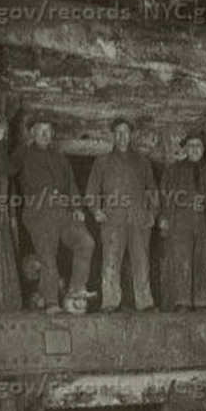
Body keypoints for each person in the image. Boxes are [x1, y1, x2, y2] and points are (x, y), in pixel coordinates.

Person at [0, 114, 93, 312]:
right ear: (32, 133)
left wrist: (77, 209)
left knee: (86, 243)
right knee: (48, 258)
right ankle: (51, 303)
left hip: (63, 212)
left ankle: (75, 291)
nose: (45, 134)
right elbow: (6, 168)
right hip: (38, 213)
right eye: (40, 130)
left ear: (52, 134)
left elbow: (72, 186)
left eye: (48, 130)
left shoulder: (60, 157)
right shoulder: (24, 152)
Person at [85, 117, 159, 312]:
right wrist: (96, 210)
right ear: (113, 135)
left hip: (139, 219)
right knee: (110, 261)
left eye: (125, 132)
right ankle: (110, 302)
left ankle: (145, 303)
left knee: (141, 261)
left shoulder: (142, 162)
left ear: (131, 135)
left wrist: (153, 213)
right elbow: (91, 190)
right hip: (112, 220)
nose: (122, 136)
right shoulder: (102, 162)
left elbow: (153, 190)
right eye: (118, 132)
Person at [159, 131, 206, 311]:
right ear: (186, 149)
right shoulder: (174, 171)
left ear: (204, 149)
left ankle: (202, 302)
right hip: (181, 222)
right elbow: (164, 196)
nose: (195, 149)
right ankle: (183, 302)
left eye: (199, 146)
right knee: (182, 261)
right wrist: (164, 218)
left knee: (203, 261)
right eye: (191, 146)